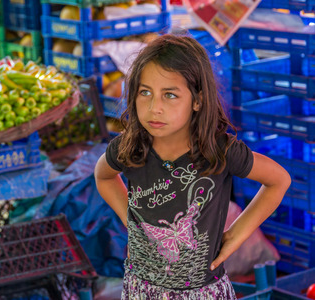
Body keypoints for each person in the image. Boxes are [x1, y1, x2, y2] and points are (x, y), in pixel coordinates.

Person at [94, 34, 291, 299]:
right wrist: (129, 219)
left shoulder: (218, 150)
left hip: (201, 292)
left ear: (197, 100)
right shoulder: (130, 147)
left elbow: (279, 181)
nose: (155, 108)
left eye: (170, 95)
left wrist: (236, 234)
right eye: (145, 93)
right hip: (140, 288)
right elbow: (103, 176)